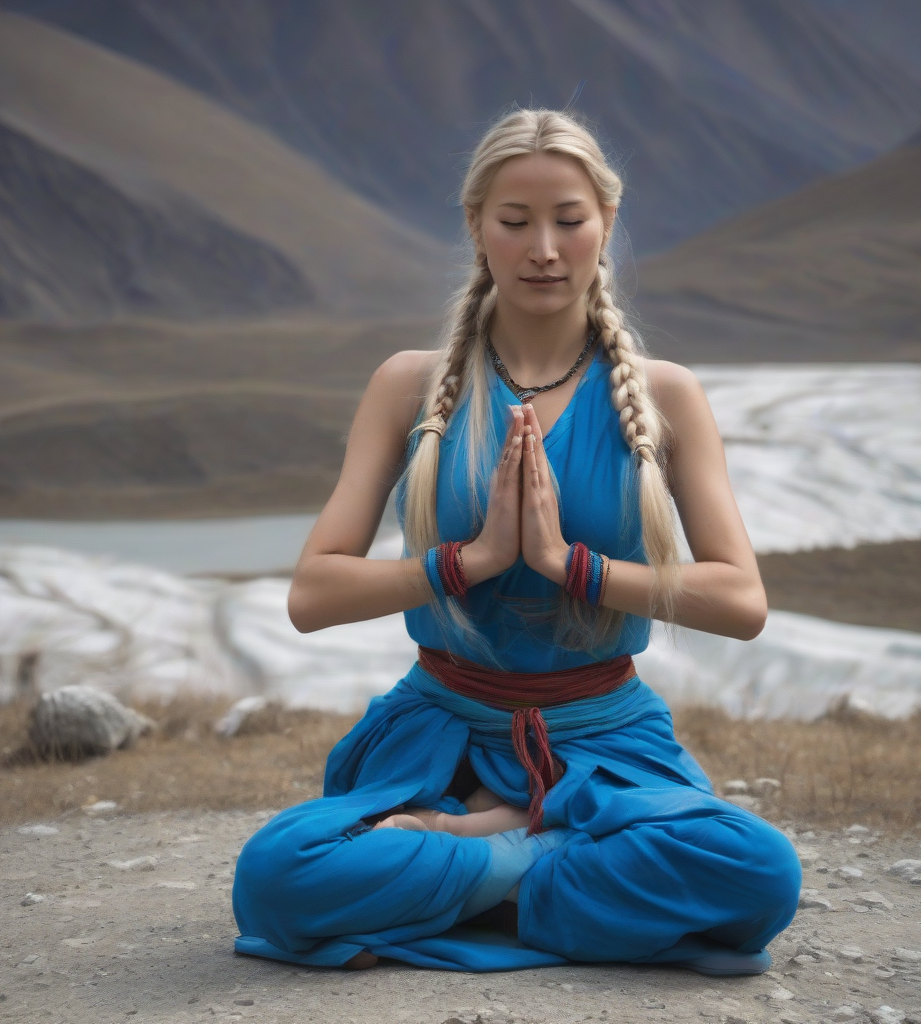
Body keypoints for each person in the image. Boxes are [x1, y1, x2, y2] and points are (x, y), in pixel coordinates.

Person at [232, 109, 801, 974]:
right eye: (515, 221)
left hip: (606, 737)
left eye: (569, 220)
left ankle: (481, 860)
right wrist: (471, 562)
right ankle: (539, 861)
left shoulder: (667, 396)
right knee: (275, 876)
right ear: (475, 228)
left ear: (605, 225)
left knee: (763, 874)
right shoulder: (405, 385)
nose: (544, 247)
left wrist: (572, 567)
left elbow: (742, 602)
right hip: (439, 736)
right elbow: (312, 595)